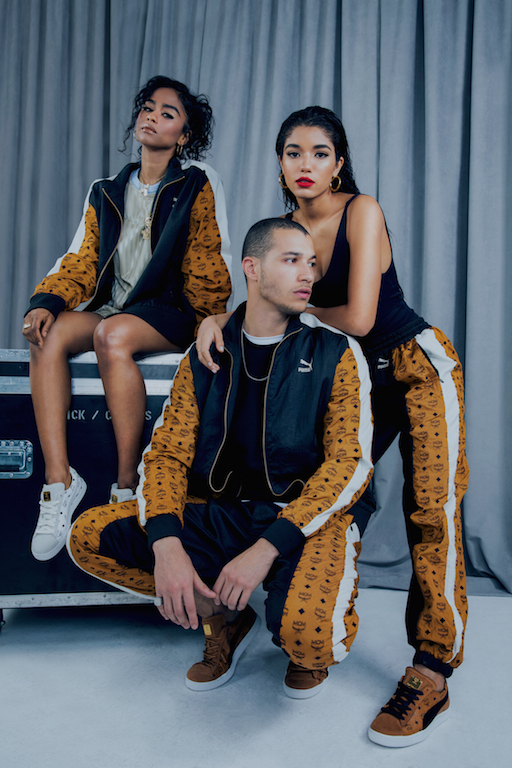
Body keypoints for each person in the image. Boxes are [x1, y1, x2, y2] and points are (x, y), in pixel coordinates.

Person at [196, 107, 469, 747]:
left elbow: (363, 317)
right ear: (280, 162)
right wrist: (218, 318)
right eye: (293, 152)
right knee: (321, 494)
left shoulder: (361, 211)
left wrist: (271, 310)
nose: (305, 165)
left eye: (319, 153)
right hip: (355, 378)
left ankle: (432, 670)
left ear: (338, 163)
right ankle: (265, 619)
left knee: (432, 509)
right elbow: (264, 295)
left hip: (412, 367)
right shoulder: (286, 231)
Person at [67, 218, 374, 701]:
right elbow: (167, 454)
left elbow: (348, 465)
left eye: (312, 263)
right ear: (252, 268)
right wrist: (167, 545)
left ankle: (297, 628)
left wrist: (267, 548)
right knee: (89, 537)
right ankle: (224, 617)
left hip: (303, 520)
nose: (308, 275)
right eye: (291, 260)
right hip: (223, 512)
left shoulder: (336, 351)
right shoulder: (206, 352)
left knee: (311, 639)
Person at [22, 75, 232, 563]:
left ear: (184, 135)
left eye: (167, 113)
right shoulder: (106, 190)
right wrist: (46, 301)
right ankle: (59, 483)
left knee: (110, 335)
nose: (152, 117)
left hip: (173, 312)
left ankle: (126, 485)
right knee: (47, 336)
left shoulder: (197, 182)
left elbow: (209, 256)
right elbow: (81, 259)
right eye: (148, 107)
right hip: (114, 311)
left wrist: (209, 322)